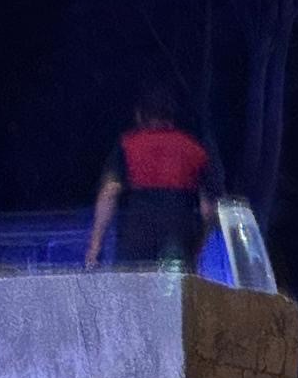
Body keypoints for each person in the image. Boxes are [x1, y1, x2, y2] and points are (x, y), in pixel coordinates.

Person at [84, 85, 220, 268]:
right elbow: (207, 209)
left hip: (136, 230)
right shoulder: (195, 149)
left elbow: (110, 191)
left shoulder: (128, 144)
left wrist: (96, 244)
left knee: (133, 290)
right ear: (171, 117)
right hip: (179, 229)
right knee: (176, 291)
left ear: (140, 115)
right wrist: (200, 246)